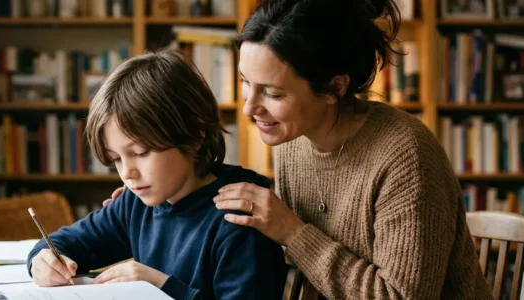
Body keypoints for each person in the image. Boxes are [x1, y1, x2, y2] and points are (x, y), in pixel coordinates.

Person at [104, 0, 495, 298]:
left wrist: (292, 232)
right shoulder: (293, 143)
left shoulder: (406, 156)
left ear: (334, 88)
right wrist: (167, 205)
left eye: (273, 93)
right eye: (246, 82)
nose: (249, 108)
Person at [26, 49, 287, 300]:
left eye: (140, 152)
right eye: (116, 159)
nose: (127, 173)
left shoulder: (241, 219)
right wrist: (43, 259)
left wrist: (160, 287)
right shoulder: (135, 204)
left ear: (195, 135)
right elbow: (65, 243)